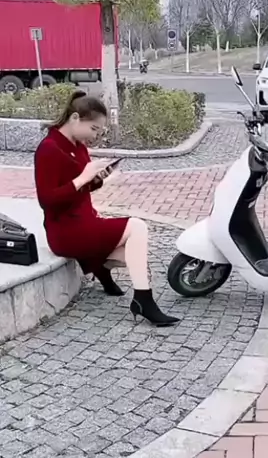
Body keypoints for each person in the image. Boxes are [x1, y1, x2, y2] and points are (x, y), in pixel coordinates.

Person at [34, 90, 179, 327]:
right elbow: (46, 200)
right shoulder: (49, 149)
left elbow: (81, 189)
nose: (95, 136)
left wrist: (97, 179)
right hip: (65, 230)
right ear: (75, 118)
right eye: (94, 129)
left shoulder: (78, 146)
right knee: (137, 227)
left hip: (85, 221)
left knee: (134, 255)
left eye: (99, 131)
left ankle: (104, 270)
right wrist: (82, 179)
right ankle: (143, 300)